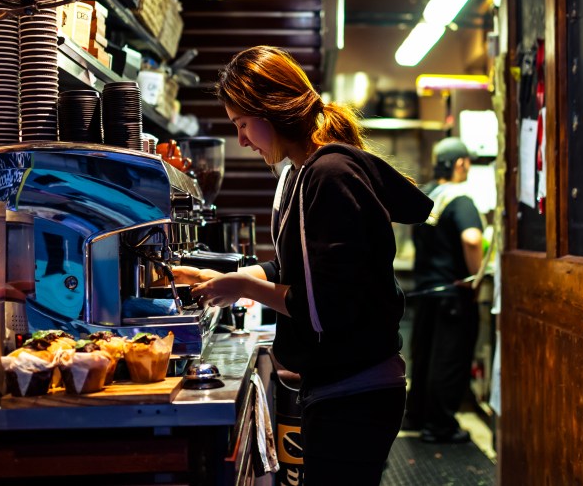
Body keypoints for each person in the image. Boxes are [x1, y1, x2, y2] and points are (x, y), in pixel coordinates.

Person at [173, 46, 432, 485]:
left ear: (269, 111)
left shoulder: (329, 174)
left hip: (357, 392)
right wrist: (228, 282)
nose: (242, 140)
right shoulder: (300, 174)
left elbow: (325, 308)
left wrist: (246, 288)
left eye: (241, 124)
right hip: (342, 387)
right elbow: (296, 269)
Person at [403, 137, 484, 444]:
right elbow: (473, 239)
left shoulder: (426, 194)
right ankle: (439, 426)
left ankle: (417, 415)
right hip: (453, 291)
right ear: (461, 163)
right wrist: (475, 276)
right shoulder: (461, 199)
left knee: (423, 357)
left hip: (426, 289)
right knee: (449, 359)